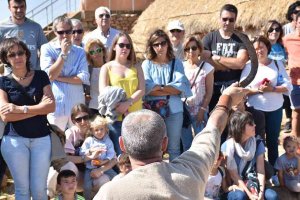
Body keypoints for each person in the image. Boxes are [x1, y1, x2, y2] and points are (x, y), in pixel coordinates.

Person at [93, 82, 250, 200]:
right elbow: (214, 128)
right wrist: (227, 97)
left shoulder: (109, 194)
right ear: (165, 144)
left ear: (122, 145)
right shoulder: (190, 173)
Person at [0, 37, 55, 199]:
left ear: (27, 54)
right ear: (5, 59)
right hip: (14, 141)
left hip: (41, 139)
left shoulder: (41, 76)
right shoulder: (3, 82)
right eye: (12, 55)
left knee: (39, 190)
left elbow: (51, 107)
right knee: (22, 190)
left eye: (20, 53)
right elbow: (5, 115)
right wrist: (39, 109)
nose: (17, 57)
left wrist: (20, 109)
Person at [241, 36, 292, 165]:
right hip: (256, 110)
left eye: (262, 47)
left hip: (275, 109)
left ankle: (275, 170)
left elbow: (287, 86)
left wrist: (272, 88)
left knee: (272, 140)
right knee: (258, 141)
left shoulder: (277, 64)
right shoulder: (249, 67)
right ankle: (260, 170)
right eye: (256, 49)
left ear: (267, 48)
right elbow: (243, 89)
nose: (259, 51)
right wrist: (258, 90)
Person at [142, 29, 192, 160]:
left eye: (163, 43)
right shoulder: (146, 64)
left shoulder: (177, 63)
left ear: (168, 44)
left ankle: (174, 178)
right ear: (151, 47)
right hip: (152, 111)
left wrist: (159, 87)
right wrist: (169, 87)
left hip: (174, 110)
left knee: (174, 148)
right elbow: (147, 88)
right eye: (156, 44)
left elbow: (180, 88)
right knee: (154, 148)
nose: (160, 47)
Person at [47, 104, 115, 198]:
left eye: (85, 117)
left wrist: (101, 170)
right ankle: (47, 196)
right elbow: (64, 158)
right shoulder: (70, 133)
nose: (83, 122)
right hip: (75, 176)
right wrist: (87, 157)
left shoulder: (99, 130)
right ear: (73, 121)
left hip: (94, 172)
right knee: (62, 166)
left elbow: (114, 159)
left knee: (104, 180)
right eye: (79, 119)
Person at [40, 15, 90, 131]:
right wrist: (63, 53)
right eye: (61, 32)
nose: (65, 35)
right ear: (55, 32)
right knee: (57, 143)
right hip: (56, 107)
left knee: (78, 143)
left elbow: (84, 77)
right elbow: (48, 76)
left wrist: (59, 77)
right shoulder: (47, 48)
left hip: (76, 107)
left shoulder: (80, 52)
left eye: (68, 31)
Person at [99, 32, 145, 155]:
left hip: (135, 117)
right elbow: (103, 92)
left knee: (138, 153)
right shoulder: (106, 67)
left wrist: (128, 103)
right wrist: (120, 106)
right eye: (121, 45)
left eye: (128, 46)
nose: (125, 48)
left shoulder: (136, 66)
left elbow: (141, 89)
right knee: (120, 156)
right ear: (114, 46)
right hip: (115, 117)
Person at [221, 111, 278, 200]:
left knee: (272, 196)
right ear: (240, 127)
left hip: (254, 183)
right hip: (234, 185)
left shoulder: (258, 143)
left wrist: (261, 193)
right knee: (241, 196)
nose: (254, 125)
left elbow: (261, 171)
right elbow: (234, 176)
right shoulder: (227, 147)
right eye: (250, 124)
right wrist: (250, 195)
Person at [202, 4, 248, 113]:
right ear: (219, 19)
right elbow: (204, 61)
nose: (227, 22)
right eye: (224, 19)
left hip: (234, 88)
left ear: (235, 20)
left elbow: (240, 63)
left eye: (231, 20)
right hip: (213, 90)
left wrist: (216, 58)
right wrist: (231, 63)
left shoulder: (242, 38)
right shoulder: (209, 38)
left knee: (235, 125)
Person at [181, 35, 214, 151]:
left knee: (202, 143)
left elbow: (209, 92)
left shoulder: (207, 67)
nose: (191, 51)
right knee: (186, 144)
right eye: (187, 49)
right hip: (184, 110)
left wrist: (203, 109)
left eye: (194, 48)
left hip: (200, 109)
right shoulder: (181, 66)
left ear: (199, 49)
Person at [0, 0, 47, 72]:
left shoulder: (36, 27)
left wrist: (39, 68)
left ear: (26, 6)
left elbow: (45, 50)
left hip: (34, 75)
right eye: (15, 7)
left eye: (22, 6)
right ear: (9, 8)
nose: (19, 10)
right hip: (12, 77)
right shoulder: (2, 28)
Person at [262, 20, 292, 133]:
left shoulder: (282, 46)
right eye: (271, 29)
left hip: (281, 79)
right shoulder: (263, 46)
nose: (274, 32)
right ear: (266, 31)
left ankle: (288, 121)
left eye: (277, 29)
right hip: (267, 80)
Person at [80, 116, 116, 199]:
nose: (99, 132)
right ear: (92, 131)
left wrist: (103, 162)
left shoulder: (108, 141)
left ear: (106, 129)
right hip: (90, 168)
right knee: (87, 186)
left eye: (101, 129)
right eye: (96, 130)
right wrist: (91, 151)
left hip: (104, 166)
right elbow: (82, 152)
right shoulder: (89, 140)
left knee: (116, 178)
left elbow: (111, 154)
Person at [283, 12, 300, 138]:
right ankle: (296, 145)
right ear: (296, 23)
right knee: (296, 113)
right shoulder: (287, 39)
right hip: (295, 82)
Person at [84, 39, 106, 116]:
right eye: (92, 52)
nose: (96, 53)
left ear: (103, 51)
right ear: (89, 56)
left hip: (111, 107)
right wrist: (85, 95)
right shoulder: (87, 70)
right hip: (93, 109)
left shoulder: (111, 66)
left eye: (98, 50)